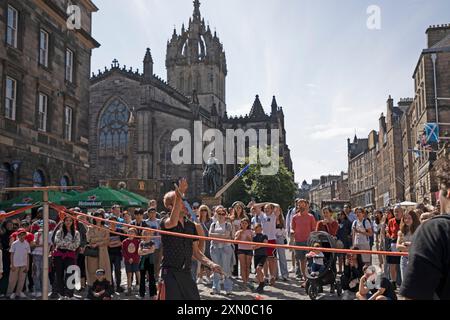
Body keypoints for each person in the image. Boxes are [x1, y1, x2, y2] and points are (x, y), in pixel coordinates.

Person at [159, 178, 221, 300]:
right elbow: (172, 222)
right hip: (170, 273)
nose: (185, 204)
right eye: (182, 202)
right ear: (171, 207)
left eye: (183, 200)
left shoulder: (190, 225)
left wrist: (211, 264)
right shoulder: (165, 222)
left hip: (186, 273)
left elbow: (196, 252)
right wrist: (178, 195)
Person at [52, 216, 80, 299]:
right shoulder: (59, 232)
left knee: (70, 275)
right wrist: (69, 244)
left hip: (70, 255)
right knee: (59, 275)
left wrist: (65, 244)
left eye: (70, 221)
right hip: (59, 255)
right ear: (64, 222)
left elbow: (76, 244)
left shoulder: (76, 232)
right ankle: (62, 294)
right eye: (67, 220)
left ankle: (69, 294)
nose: (68, 222)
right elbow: (57, 241)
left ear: (72, 222)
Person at [209, 206, 235, 295]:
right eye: (219, 213)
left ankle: (228, 289)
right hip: (215, 248)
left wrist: (215, 235)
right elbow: (209, 235)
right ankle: (215, 288)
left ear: (225, 215)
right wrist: (221, 236)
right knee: (215, 268)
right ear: (216, 214)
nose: (220, 215)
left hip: (226, 248)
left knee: (226, 269)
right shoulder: (213, 224)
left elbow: (226, 236)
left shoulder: (228, 225)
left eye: (223, 213)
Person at [291, 199, 316, 284]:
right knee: (301, 260)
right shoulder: (295, 217)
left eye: (302, 204)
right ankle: (305, 278)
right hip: (298, 241)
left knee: (308, 260)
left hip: (308, 241)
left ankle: (309, 277)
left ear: (306, 205)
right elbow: (292, 228)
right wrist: (292, 233)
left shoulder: (311, 217)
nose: (300, 206)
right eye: (299, 204)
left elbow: (314, 229)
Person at [85, 211, 111, 291]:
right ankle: (92, 288)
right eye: (96, 216)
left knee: (104, 269)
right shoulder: (90, 227)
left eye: (100, 216)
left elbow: (107, 241)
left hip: (103, 252)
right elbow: (89, 239)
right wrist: (101, 239)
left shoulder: (106, 228)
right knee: (92, 269)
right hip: (93, 252)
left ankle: (104, 288)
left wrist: (97, 242)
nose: (98, 218)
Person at [397, 209, 420, 281]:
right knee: (405, 282)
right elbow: (398, 247)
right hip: (404, 259)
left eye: (409, 218)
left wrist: (407, 244)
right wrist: (411, 246)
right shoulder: (401, 231)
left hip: (415, 259)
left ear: (414, 218)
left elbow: (419, 246)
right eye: (405, 218)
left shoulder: (419, 230)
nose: (407, 220)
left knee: (416, 282)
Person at [7, 229, 30, 299]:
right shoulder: (14, 244)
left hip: (23, 265)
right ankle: (9, 293)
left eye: (24, 235)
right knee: (12, 280)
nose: (22, 236)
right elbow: (11, 254)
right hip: (15, 265)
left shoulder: (27, 243)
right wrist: (12, 264)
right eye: (21, 235)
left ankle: (18, 293)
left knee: (22, 280)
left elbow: (27, 255)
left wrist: (27, 266)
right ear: (18, 236)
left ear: (25, 235)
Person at [261, 203, 279, 286]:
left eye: (268, 208)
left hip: (271, 239)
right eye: (265, 208)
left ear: (272, 209)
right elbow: (255, 207)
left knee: (271, 259)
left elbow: (277, 206)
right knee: (264, 259)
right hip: (263, 239)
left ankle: (272, 276)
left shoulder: (273, 216)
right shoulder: (262, 215)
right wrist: (265, 203)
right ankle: (266, 276)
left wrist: (269, 203)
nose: (266, 209)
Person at [31, 225, 51, 298]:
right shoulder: (36, 234)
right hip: (36, 255)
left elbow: (48, 244)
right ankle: (38, 290)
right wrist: (38, 244)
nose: (41, 230)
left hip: (44, 255)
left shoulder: (48, 234)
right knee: (36, 273)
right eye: (40, 228)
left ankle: (43, 291)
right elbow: (33, 244)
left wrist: (38, 245)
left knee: (43, 273)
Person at [386, 205, 403, 289]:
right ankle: (393, 282)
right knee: (392, 265)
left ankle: (403, 283)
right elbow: (388, 232)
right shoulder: (390, 221)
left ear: (402, 212)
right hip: (393, 243)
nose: (396, 213)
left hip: (403, 245)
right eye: (395, 211)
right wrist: (390, 236)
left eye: (398, 211)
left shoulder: (405, 220)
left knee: (402, 264)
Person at [138, 230, 157, 300]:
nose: (146, 234)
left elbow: (152, 250)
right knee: (142, 278)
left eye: (148, 233)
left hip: (150, 262)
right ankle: (141, 294)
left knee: (151, 278)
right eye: (145, 233)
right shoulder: (141, 243)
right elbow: (139, 252)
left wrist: (144, 251)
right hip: (142, 262)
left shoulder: (152, 242)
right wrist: (147, 251)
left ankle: (153, 293)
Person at [107, 216, 124, 293]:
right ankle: (111, 286)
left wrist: (113, 244)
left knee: (118, 271)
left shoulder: (120, 231)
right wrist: (116, 243)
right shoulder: (106, 231)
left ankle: (118, 286)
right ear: (109, 222)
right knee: (109, 271)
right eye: (111, 222)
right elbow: (107, 244)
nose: (113, 223)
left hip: (117, 254)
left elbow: (122, 242)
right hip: (109, 254)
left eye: (114, 221)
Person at [231, 201, 248, 277]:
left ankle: (244, 273)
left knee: (243, 256)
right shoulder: (231, 218)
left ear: (241, 209)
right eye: (236, 208)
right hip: (234, 238)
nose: (238, 209)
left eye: (239, 208)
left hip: (243, 239)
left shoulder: (245, 218)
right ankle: (235, 273)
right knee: (234, 256)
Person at [235, 218, 253, 289]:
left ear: (248, 224)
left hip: (249, 249)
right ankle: (244, 282)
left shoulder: (250, 231)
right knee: (242, 266)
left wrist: (249, 239)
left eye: (245, 223)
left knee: (248, 266)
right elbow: (235, 241)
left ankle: (247, 279)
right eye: (242, 223)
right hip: (241, 249)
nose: (244, 224)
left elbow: (252, 241)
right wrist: (240, 234)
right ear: (241, 224)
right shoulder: (238, 231)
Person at [122, 228, 140, 296]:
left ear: (135, 234)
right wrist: (128, 258)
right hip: (127, 261)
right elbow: (123, 252)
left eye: (132, 232)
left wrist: (133, 258)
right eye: (129, 232)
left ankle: (141, 287)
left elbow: (138, 251)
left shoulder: (137, 241)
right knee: (129, 274)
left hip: (135, 260)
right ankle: (129, 288)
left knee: (137, 273)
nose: (130, 233)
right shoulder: (125, 242)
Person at [146, 208, 162, 280]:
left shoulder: (159, 221)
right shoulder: (145, 222)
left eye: (154, 212)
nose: (152, 214)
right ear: (148, 213)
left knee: (157, 261)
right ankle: (149, 276)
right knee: (149, 262)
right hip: (148, 245)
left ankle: (156, 276)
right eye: (151, 212)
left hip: (158, 244)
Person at [0, 220, 15, 297]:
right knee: (5, 273)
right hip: (4, 256)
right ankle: (2, 291)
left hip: (14, 256)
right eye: (8, 224)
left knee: (12, 274)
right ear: (5, 225)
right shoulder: (2, 234)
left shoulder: (15, 233)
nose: (10, 226)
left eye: (11, 224)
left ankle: (12, 292)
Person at [253, 223, 268, 294]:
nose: (258, 230)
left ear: (261, 229)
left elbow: (265, 243)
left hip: (263, 255)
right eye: (256, 229)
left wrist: (257, 246)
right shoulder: (254, 237)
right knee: (257, 271)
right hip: (256, 255)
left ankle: (262, 284)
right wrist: (259, 245)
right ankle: (260, 284)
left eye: (259, 229)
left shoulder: (264, 236)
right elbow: (252, 246)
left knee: (258, 269)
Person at [275, 205, 289, 281]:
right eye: (275, 210)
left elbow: (284, 230)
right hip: (273, 238)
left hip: (280, 238)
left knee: (282, 257)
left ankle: (284, 274)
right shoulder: (271, 218)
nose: (277, 212)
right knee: (274, 257)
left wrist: (284, 237)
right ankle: (275, 274)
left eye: (278, 210)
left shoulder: (281, 220)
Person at [285, 202, 298, 274]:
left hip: (302, 234)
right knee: (293, 251)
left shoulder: (305, 211)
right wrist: (288, 234)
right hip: (292, 233)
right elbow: (287, 222)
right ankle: (293, 266)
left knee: (302, 251)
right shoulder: (291, 211)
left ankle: (301, 268)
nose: (297, 204)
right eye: (296, 203)